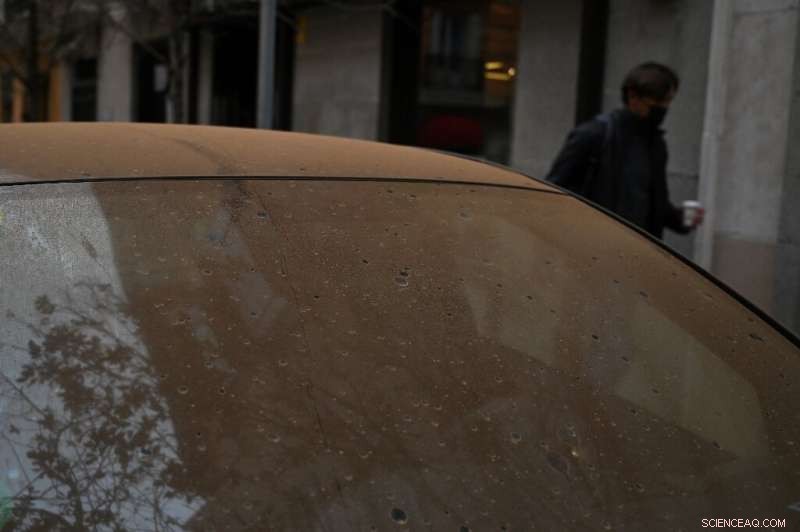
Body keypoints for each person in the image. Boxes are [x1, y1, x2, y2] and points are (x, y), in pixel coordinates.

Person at [545, 62, 704, 239]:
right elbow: (553, 190)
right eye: (657, 101)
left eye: (667, 102)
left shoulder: (655, 144)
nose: (663, 108)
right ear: (632, 96)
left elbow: (654, 202)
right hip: (593, 244)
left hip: (640, 250)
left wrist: (680, 219)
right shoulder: (593, 135)